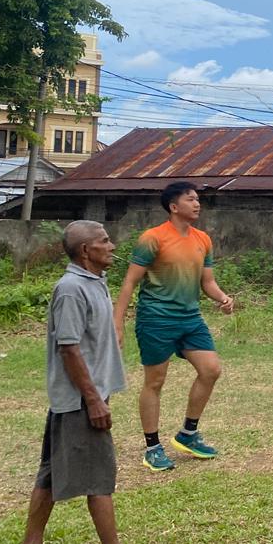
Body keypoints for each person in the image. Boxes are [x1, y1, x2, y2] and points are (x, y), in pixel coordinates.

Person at [16, 221, 154, 544]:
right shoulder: (71, 289)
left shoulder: (94, 282)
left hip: (81, 397)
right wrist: (93, 399)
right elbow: (69, 348)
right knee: (99, 476)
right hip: (80, 400)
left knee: (49, 474)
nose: (112, 245)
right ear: (85, 251)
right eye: (104, 241)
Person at [115, 182, 233, 472]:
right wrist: (117, 324)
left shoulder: (203, 239)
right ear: (173, 206)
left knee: (211, 370)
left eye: (198, 199)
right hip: (156, 318)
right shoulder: (152, 238)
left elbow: (207, 282)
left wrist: (222, 298)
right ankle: (153, 447)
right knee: (155, 382)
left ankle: (188, 434)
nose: (197, 204)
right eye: (190, 199)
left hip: (190, 318)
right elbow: (130, 281)